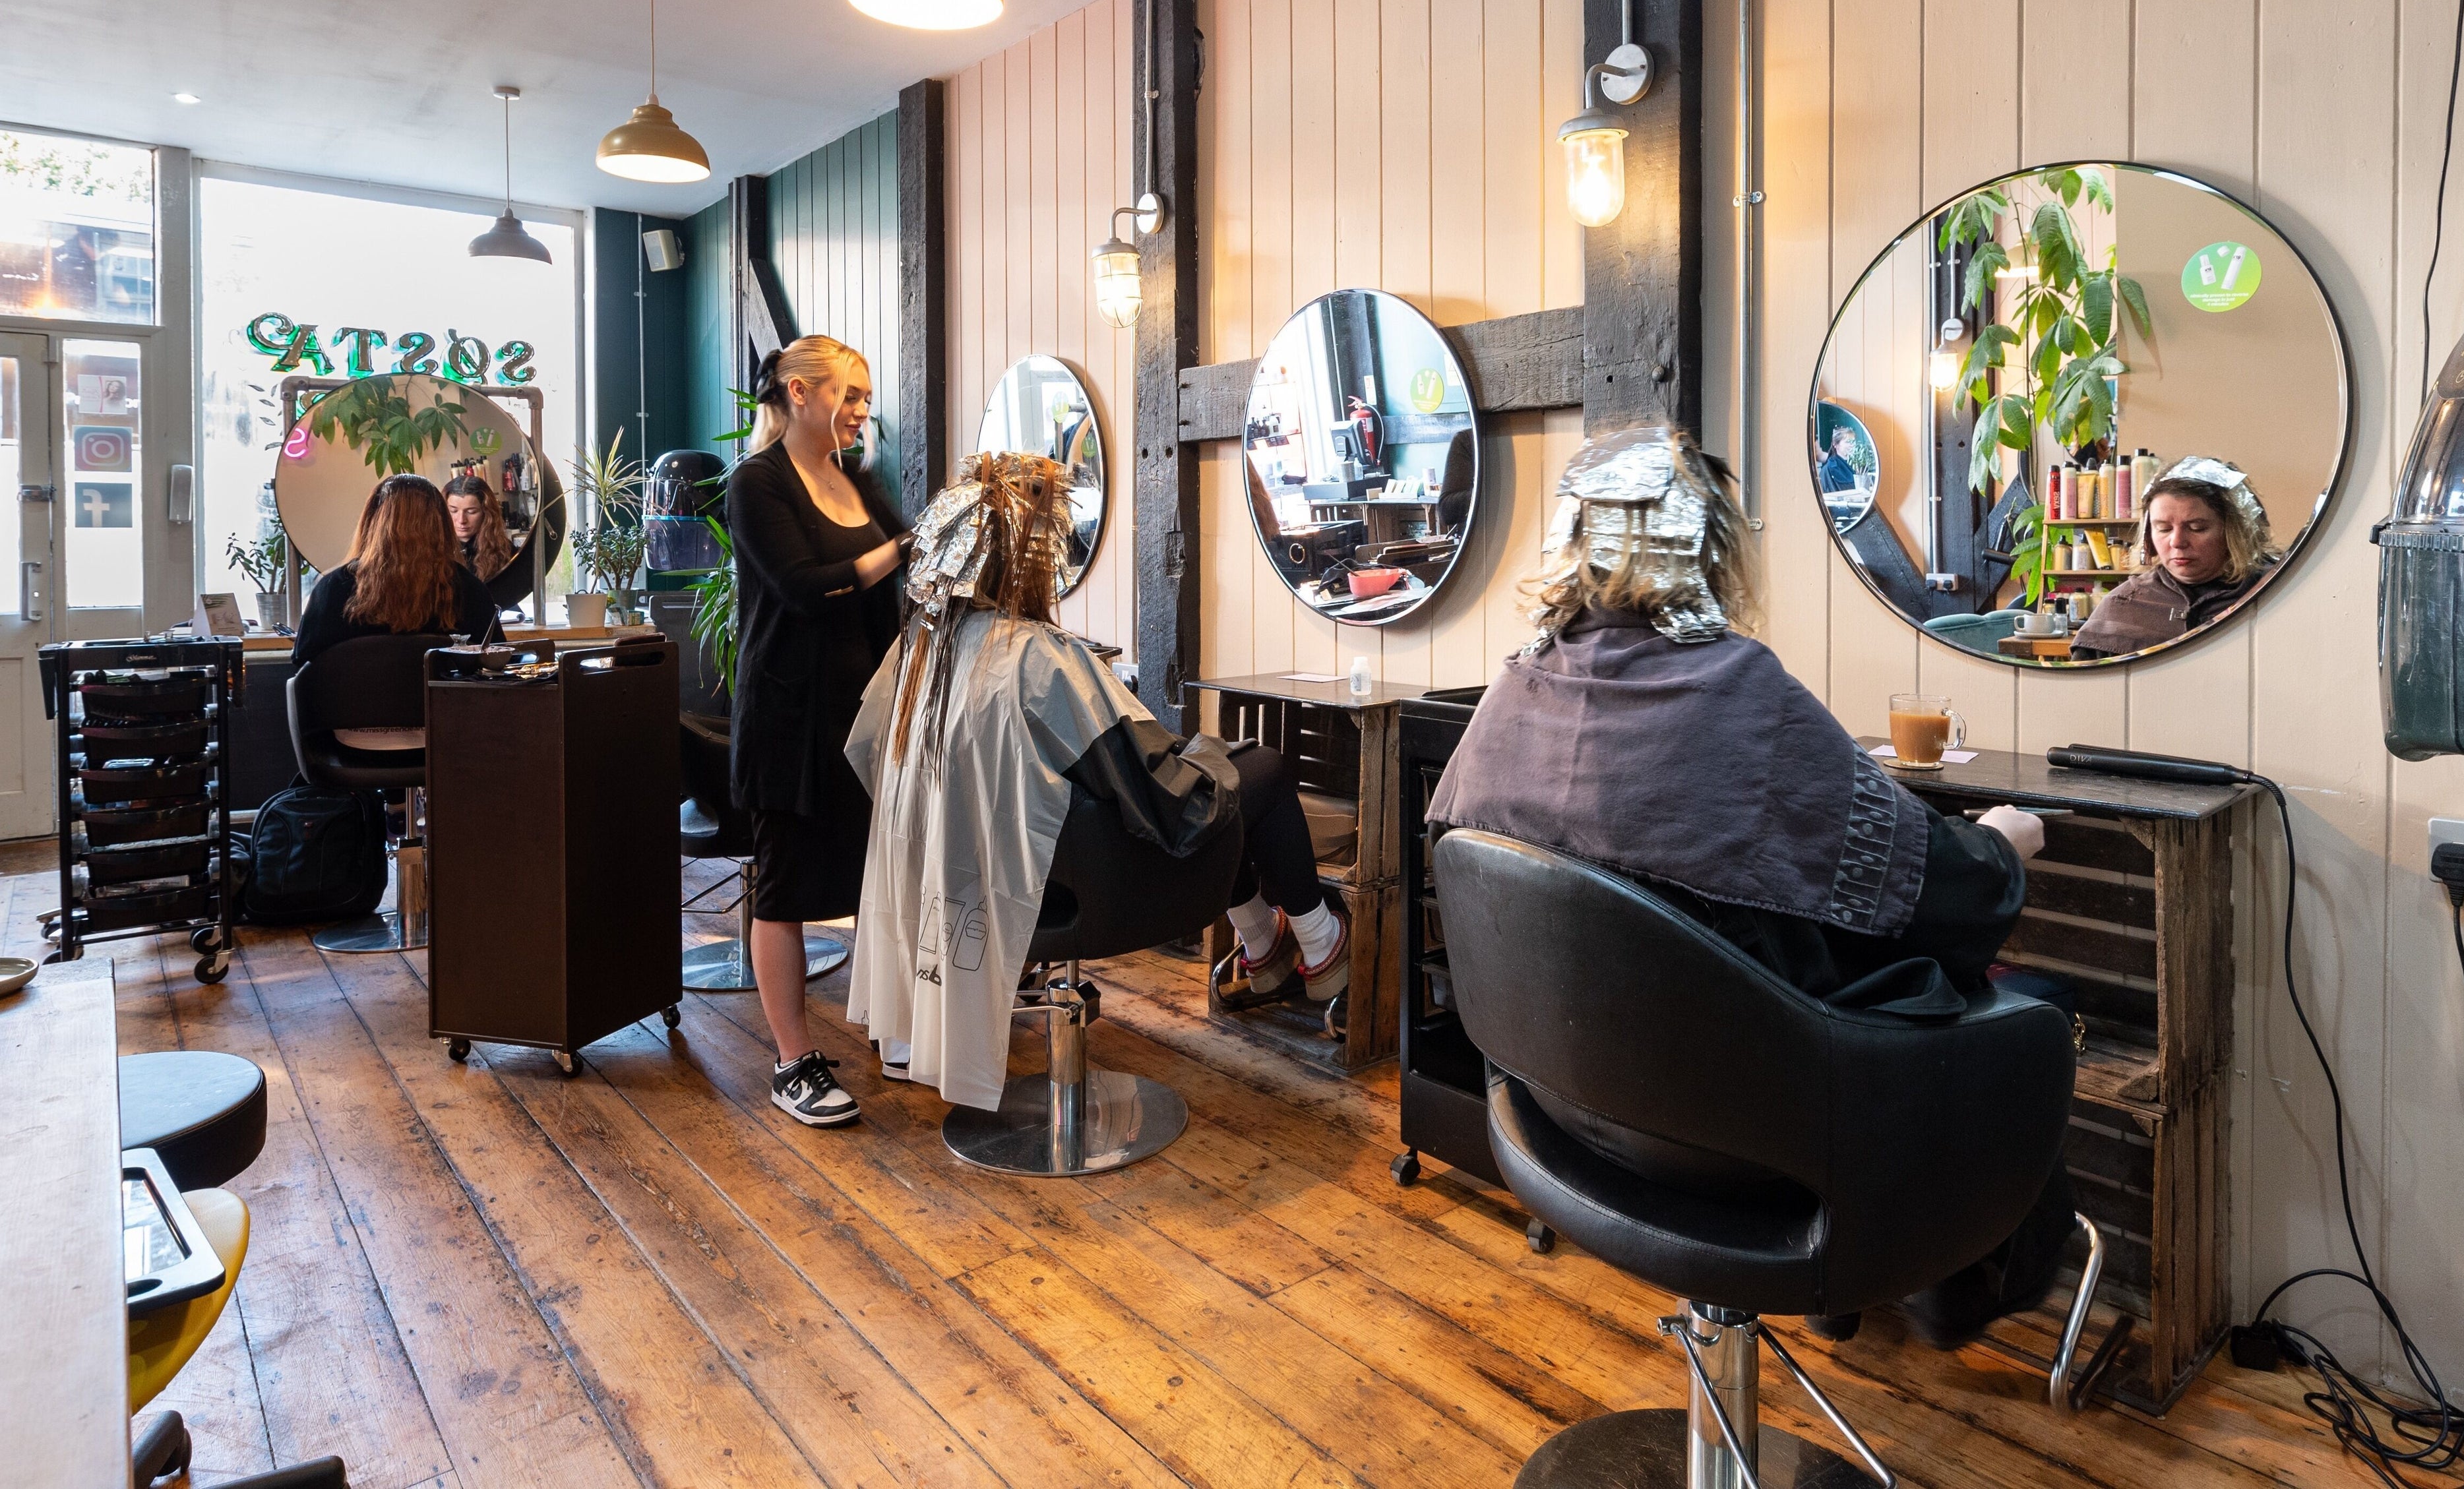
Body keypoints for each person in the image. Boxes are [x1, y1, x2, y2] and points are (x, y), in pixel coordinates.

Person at [1427, 426, 2063, 1351]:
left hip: (1560, 1109)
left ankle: (1899, 1274)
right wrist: (2001, 843)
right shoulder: (1735, 689)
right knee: (2020, 1002)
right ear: (1711, 548)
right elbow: (1943, 894)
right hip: (1751, 1139)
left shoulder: (1519, 687)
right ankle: (1951, 1270)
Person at [845, 451, 1343, 1110]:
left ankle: (1264, 944)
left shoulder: (919, 651)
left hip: (969, 882)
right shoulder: (1035, 655)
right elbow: (1156, 792)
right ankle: (1321, 945)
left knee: (1217, 776)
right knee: (1258, 774)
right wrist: (1205, 760)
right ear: (1027, 557)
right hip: (1074, 887)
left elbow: (870, 755)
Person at [727, 334, 909, 1129]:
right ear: (799, 393)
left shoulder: (856, 479)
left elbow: (907, 568)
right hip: (788, 719)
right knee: (786, 889)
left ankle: (891, 1027)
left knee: (880, 876)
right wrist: (898, 551)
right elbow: (803, 588)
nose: (862, 410)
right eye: (849, 394)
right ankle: (792, 1061)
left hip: (863, 713)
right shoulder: (757, 483)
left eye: (866, 396)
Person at [292, 473, 503, 674]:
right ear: (441, 523)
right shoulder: (467, 589)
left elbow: (303, 658)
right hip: (443, 701)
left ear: (372, 521)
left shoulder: (335, 587)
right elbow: (498, 657)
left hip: (353, 702)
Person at [2070, 456, 2277, 659]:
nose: (2177, 542)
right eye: (2164, 529)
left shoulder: (2277, 591)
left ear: (2236, 532)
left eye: (2197, 528)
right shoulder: (2122, 607)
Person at [443, 473, 514, 585]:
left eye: (471, 512)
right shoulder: (432, 549)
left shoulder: (504, 551)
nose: (461, 520)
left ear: (486, 513)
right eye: (453, 511)